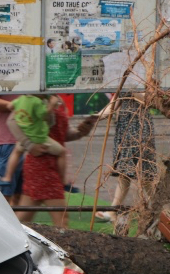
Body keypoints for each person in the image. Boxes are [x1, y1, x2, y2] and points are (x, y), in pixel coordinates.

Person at [16, 97, 94, 228]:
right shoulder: (36, 100)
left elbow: (63, 134)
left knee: (25, 217)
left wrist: (82, 131)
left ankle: (9, 241)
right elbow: (21, 124)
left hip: (46, 166)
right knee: (61, 221)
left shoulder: (57, 100)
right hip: (43, 164)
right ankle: (63, 246)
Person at [93, 93, 157, 234]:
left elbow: (150, 100)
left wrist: (134, 92)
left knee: (145, 174)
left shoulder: (144, 80)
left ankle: (158, 208)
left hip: (140, 128)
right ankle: (113, 210)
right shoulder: (123, 79)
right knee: (124, 173)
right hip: (124, 130)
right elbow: (113, 105)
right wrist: (97, 116)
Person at [0, 95, 67, 185]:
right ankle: (63, 181)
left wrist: (21, 108)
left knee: (16, 152)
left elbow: (10, 106)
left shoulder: (21, 99)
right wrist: (51, 105)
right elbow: (43, 114)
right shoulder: (36, 102)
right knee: (62, 152)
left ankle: (7, 177)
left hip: (26, 135)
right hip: (39, 138)